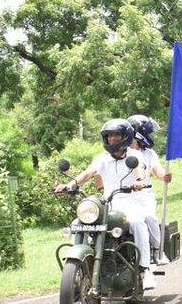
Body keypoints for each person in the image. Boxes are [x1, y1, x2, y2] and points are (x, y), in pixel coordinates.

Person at [57, 119, 156, 291]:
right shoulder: (102, 159)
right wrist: (71, 185)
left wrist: (139, 180)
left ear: (125, 137)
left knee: (138, 223)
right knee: (77, 224)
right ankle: (77, 268)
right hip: (109, 204)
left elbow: (140, 168)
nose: (113, 139)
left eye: (117, 135)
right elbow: (88, 173)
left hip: (130, 202)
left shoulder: (134, 155)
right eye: (109, 136)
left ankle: (145, 270)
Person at [127, 114, 173, 270]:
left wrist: (164, 177)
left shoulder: (149, 154)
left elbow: (158, 172)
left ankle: (157, 250)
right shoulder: (122, 152)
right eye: (147, 132)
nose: (149, 136)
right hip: (125, 196)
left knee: (149, 217)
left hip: (144, 194)